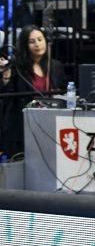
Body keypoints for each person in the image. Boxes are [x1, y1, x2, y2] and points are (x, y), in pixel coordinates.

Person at [0, 25, 66, 156]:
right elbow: (7, 96)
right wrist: (6, 74)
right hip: (22, 125)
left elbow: (64, 91)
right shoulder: (17, 67)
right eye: (32, 41)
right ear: (25, 45)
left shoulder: (55, 66)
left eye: (40, 39)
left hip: (50, 122)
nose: (37, 44)